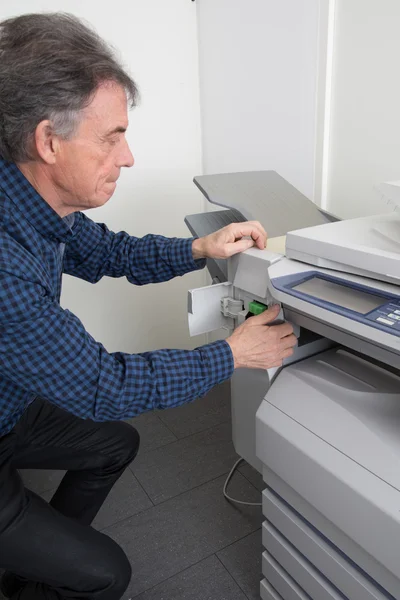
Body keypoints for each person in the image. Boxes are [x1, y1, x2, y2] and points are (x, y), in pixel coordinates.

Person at [0, 12, 297, 600]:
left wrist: (198, 247)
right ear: (48, 141)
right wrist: (233, 353)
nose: (129, 156)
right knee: (106, 574)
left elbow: (110, 251)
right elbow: (103, 385)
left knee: (116, 443)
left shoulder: (31, 199)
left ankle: (33, 564)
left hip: (9, 407)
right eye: (113, 136)